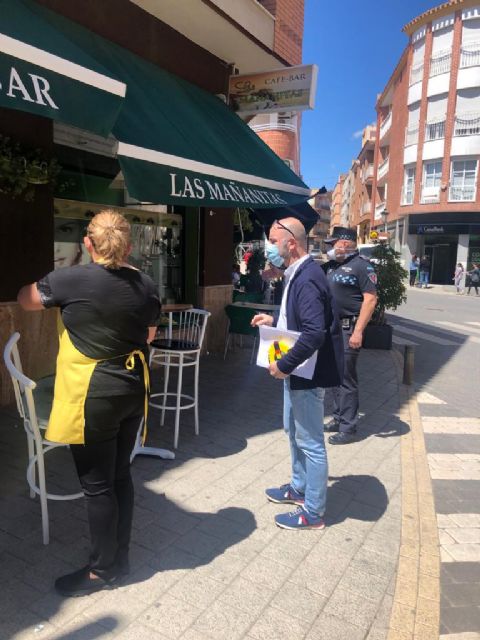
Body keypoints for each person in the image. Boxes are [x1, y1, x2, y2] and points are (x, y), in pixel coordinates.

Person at [17, 210, 160, 597]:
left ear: (88, 243)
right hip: (133, 390)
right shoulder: (146, 285)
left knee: (98, 486)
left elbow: (25, 299)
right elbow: (149, 334)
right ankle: (121, 558)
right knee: (119, 477)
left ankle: (103, 571)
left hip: (93, 395)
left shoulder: (70, 279)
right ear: (129, 246)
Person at [251, 218, 343, 530]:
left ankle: (313, 512)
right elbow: (300, 318)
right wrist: (274, 318)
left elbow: (314, 333)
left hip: (305, 373)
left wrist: (284, 364)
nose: (270, 247)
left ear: (292, 243)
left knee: (311, 441)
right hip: (299, 372)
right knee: (293, 432)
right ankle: (299, 488)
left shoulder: (306, 278)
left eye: (273, 241)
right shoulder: (298, 273)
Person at [322, 227, 378, 445]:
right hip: (331, 329)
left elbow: (370, 299)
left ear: (344, 243)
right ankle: (337, 417)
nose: (330, 248)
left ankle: (348, 427)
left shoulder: (362, 266)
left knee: (346, 379)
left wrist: (358, 331)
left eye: (332, 244)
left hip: (348, 329)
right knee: (334, 376)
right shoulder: (333, 265)